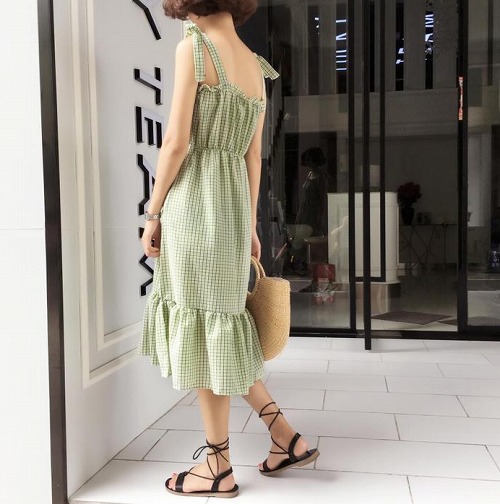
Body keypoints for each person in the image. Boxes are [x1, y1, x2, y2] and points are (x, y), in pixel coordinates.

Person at [138, 0, 319, 498]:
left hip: (194, 208)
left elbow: (176, 143)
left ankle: (217, 468)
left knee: (206, 333)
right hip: (232, 212)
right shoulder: (256, 67)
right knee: (220, 327)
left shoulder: (194, 48)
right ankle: (285, 437)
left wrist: (153, 211)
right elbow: (254, 156)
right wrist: (251, 225)